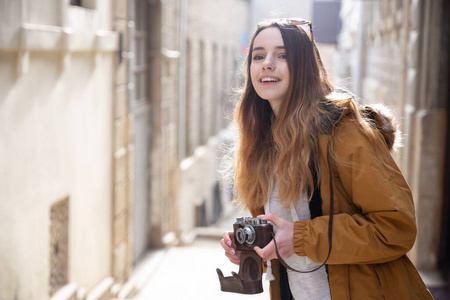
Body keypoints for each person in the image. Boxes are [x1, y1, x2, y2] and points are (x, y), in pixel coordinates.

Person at [220, 18, 434, 300]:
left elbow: (396, 228)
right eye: (258, 55)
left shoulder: (344, 131)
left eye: (282, 55)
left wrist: (300, 238)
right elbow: (286, 239)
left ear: (306, 67)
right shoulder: (260, 142)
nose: (267, 63)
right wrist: (255, 247)